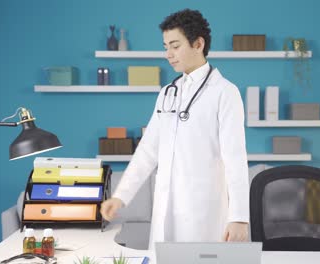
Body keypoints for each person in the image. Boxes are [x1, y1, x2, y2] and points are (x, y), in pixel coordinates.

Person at [100, 9, 250, 248]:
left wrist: (240, 217)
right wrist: (121, 196)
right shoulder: (167, 93)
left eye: (175, 46)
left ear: (198, 43)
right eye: (165, 46)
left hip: (203, 210)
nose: (168, 54)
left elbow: (235, 158)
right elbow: (148, 150)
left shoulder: (225, 92)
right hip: (165, 206)